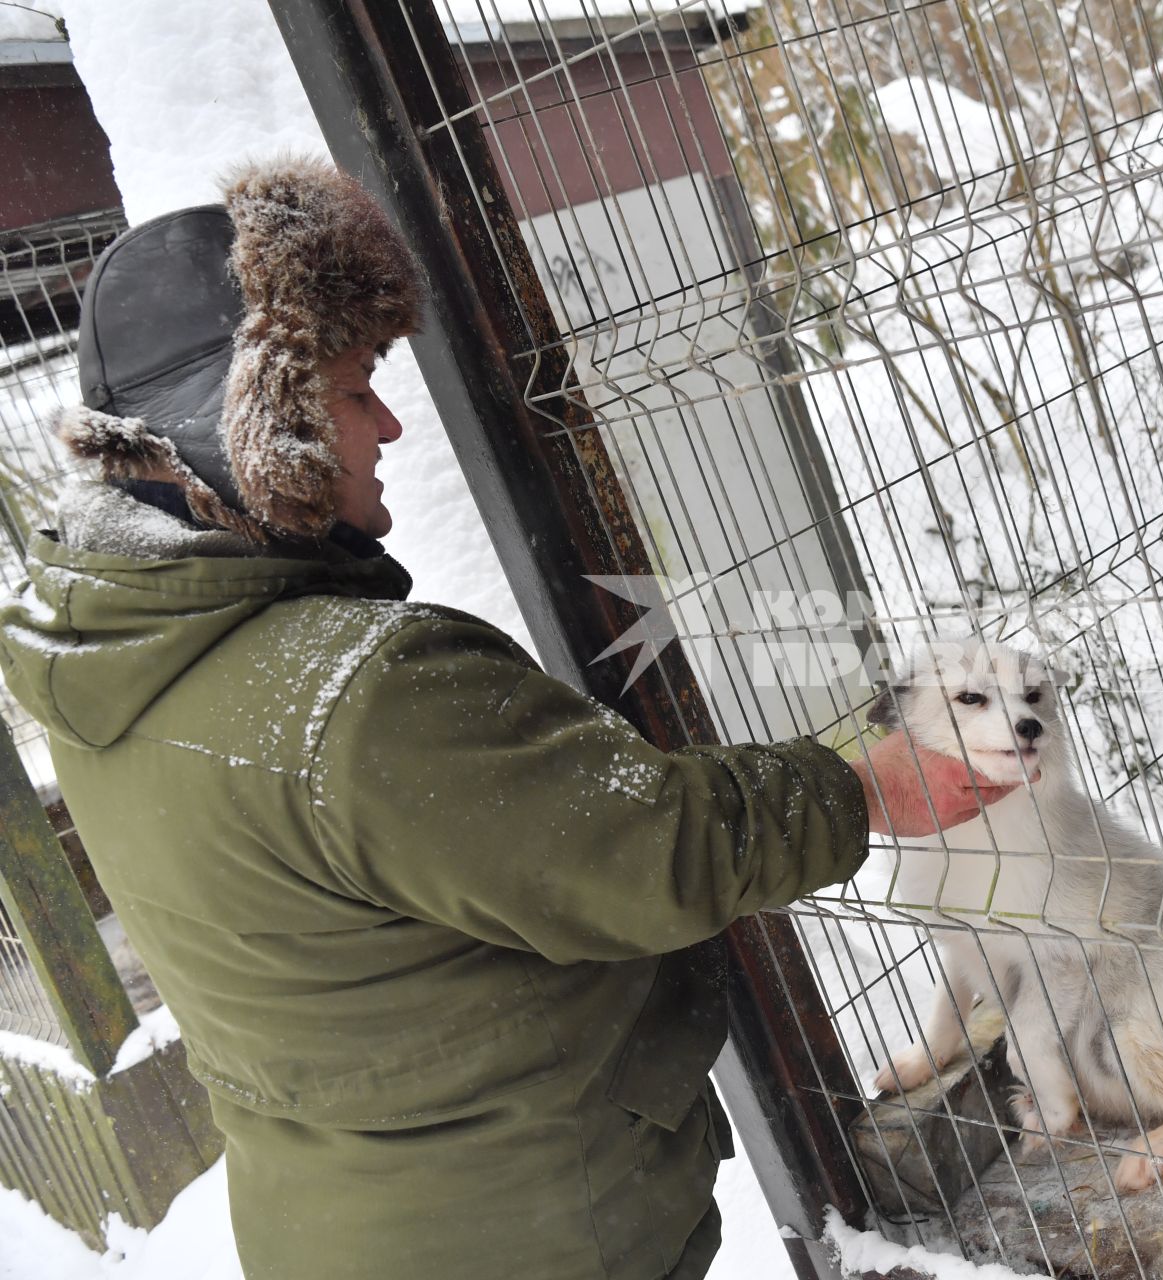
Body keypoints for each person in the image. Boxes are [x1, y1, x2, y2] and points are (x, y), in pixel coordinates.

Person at [0, 158, 1009, 1280]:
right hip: (525, 1232)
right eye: (351, 388)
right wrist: (867, 788)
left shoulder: (107, 673)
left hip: (342, 1225)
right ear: (248, 424)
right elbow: (640, 847)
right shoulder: (357, 691)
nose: (387, 422)